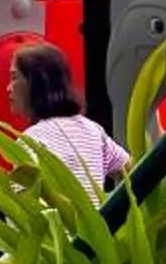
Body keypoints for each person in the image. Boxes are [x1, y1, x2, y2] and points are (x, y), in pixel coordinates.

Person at [7, 40, 127, 186]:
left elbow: (23, 197)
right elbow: (131, 170)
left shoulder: (31, 141)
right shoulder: (93, 130)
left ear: (36, 83)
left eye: (14, 77)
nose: (8, 88)